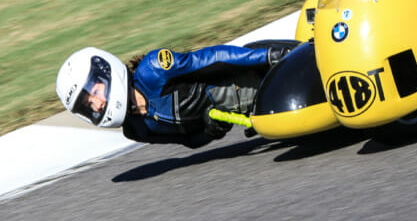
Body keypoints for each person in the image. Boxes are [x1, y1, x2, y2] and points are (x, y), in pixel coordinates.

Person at [56, 42, 293, 148]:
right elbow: (189, 141)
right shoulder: (136, 130)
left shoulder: (153, 69)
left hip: (257, 76)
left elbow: (214, 57)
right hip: (256, 115)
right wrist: (211, 130)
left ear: (106, 71)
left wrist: (268, 57)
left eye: (94, 91)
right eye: (88, 105)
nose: (97, 103)